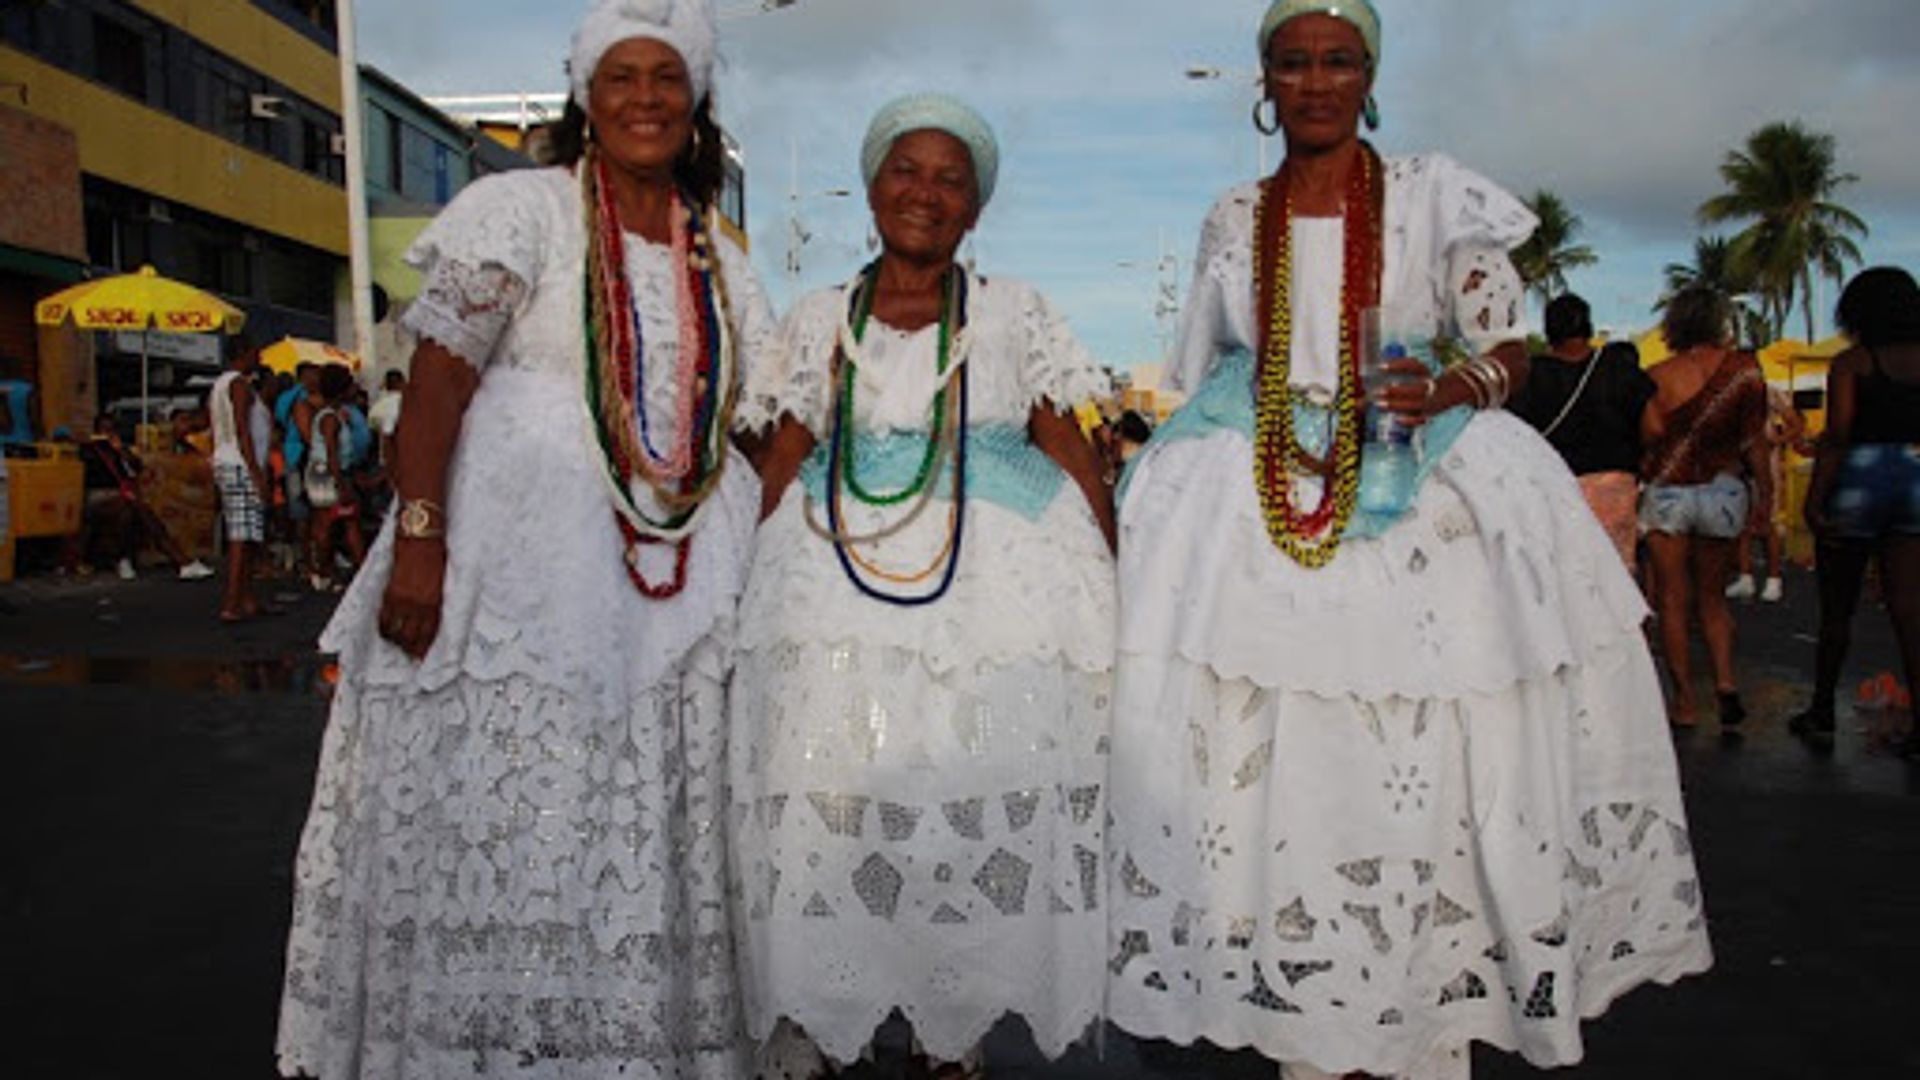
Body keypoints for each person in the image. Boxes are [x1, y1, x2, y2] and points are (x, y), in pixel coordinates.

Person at [1104, 5, 1710, 1078]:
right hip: (1262, 495)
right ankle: (1307, 1003)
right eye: (1294, 63)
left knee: (1434, 748)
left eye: (1338, 61)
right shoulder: (1236, 213)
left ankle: (1425, 1004)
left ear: (1369, 73)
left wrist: (1447, 392)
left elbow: (1506, 347)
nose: (1316, 81)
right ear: (1266, 79)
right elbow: (1205, 366)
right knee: (1282, 759)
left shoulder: (1434, 191)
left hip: (1420, 472)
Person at [275, 2, 776, 1076]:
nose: (645, 98)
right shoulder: (522, 209)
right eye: (621, 78)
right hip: (517, 564)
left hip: (684, 568)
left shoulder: (720, 255)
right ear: (585, 101)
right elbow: (439, 387)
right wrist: (419, 542)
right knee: (519, 802)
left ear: (697, 108)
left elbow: (749, 415)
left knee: (650, 808)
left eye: (667, 79)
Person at [731, 93, 1116, 1077]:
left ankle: (955, 1025)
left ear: (975, 210)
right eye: (907, 171)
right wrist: (748, 593)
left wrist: (1116, 593)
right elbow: (784, 454)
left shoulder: (1014, 311)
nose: (926, 194)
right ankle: (820, 1009)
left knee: (962, 792)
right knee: (831, 800)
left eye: (952, 179)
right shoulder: (820, 316)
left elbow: (1067, 448)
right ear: (870, 190)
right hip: (831, 578)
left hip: (997, 589)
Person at [1792, 266, 1920, 755]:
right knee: (1909, 608)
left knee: (1837, 604)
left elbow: (1839, 434)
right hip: (1914, 473)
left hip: (1863, 477)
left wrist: (1816, 499)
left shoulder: (1853, 363)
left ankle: (1822, 708)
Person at [1640, 285, 1771, 728]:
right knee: (1713, 599)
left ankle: (1684, 703)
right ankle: (1726, 684)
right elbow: (1755, 443)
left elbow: (1652, 433)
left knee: (1673, 599)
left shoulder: (1658, 375)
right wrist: (1765, 499)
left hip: (1669, 492)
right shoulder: (1744, 371)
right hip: (1725, 490)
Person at [1510, 294, 1654, 570]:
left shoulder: (1530, 375)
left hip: (1554, 488)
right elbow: (1655, 426)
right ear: (1587, 326)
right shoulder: (1619, 368)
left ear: (1549, 330)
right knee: (1618, 584)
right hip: (1615, 487)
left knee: (1568, 580)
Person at [75, 414, 214, 581]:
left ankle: (125, 559)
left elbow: (136, 467)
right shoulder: (88, 450)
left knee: (130, 512)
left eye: (112, 429)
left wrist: (121, 452)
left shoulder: (120, 450)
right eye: (105, 429)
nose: (109, 433)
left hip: (120, 496)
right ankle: (181, 561)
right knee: (135, 508)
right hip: (96, 496)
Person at [210, 337, 274, 621]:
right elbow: (242, 430)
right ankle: (231, 601)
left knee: (247, 532)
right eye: (255, 352)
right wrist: (256, 473)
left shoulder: (221, 385)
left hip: (229, 461)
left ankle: (246, 597)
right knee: (241, 535)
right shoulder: (238, 385)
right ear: (244, 354)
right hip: (240, 464)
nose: (259, 358)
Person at [1726, 386, 1802, 603]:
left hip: (1767, 466)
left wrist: (1773, 443)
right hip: (1737, 464)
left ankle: (1774, 578)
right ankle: (1745, 577)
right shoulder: (1728, 390)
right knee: (1740, 522)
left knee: (1768, 521)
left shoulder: (1770, 392)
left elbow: (1796, 424)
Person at [303, 364, 366, 592]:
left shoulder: (338, 415)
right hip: (326, 474)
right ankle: (322, 572)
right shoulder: (329, 418)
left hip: (334, 471)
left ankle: (358, 570)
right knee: (326, 524)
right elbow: (331, 453)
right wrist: (341, 483)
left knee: (349, 521)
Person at [367, 368, 406, 469]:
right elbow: (387, 436)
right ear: (402, 382)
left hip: (383, 460)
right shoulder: (406, 402)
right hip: (401, 461)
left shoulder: (377, 406)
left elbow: (372, 430)